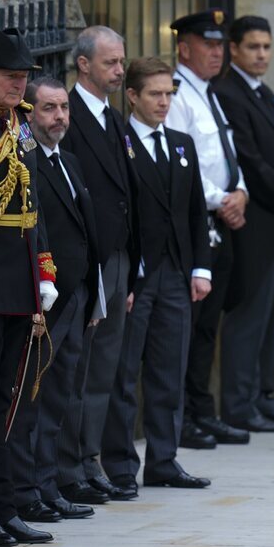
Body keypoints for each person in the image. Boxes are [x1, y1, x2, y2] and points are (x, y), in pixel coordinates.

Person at [164, 10, 274, 441]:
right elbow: (183, 165)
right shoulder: (177, 95)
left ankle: (201, 409)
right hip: (199, 220)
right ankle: (187, 415)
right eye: (207, 45)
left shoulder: (208, 93)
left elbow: (227, 156)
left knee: (209, 324)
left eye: (218, 45)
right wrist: (221, 200)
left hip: (223, 217)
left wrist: (240, 193)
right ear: (184, 48)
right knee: (191, 325)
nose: (216, 52)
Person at [102, 57, 213, 489]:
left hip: (176, 274)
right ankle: (121, 465)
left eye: (170, 94)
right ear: (132, 96)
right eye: (155, 94)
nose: (165, 102)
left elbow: (194, 212)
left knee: (170, 370)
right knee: (125, 373)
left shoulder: (182, 144)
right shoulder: (120, 140)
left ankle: (164, 460)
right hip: (138, 275)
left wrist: (200, 268)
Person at [11, 77, 102, 524]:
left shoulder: (69, 160)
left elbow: (86, 232)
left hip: (77, 298)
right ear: (30, 113)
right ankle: (29, 490)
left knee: (61, 396)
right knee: (34, 399)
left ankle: (49, 485)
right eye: (48, 108)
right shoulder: (26, 164)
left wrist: (96, 293)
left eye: (64, 107)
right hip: (45, 303)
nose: (60, 117)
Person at [213, 15, 274, 431]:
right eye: (253, 47)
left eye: (267, 47)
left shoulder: (262, 91)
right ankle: (239, 404)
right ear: (233, 48)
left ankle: (263, 396)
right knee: (249, 315)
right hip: (257, 222)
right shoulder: (228, 92)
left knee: (270, 316)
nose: (262, 55)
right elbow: (250, 161)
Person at [0, 21, 54, 547]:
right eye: (8, 76)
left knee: (7, 404)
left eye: (23, 77)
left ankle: (6, 506)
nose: (19, 86)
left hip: (18, 286)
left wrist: (43, 272)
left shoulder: (19, 126)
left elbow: (31, 206)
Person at [60, 25, 139, 503]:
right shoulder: (66, 116)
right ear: (84, 64)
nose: (119, 70)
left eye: (121, 61)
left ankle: (91, 460)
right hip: (86, 261)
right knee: (77, 367)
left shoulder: (114, 118)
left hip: (119, 258)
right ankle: (70, 466)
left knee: (105, 367)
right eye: (110, 62)